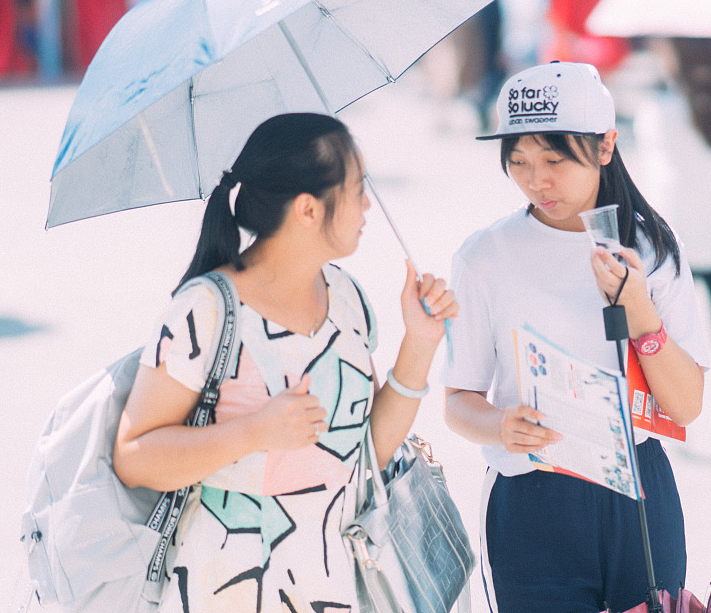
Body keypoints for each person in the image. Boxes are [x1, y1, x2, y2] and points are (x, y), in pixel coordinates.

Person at [113, 113, 457, 612]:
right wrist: (252, 432)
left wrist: (419, 343)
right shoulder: (206, 309)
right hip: (226, 592)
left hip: (335, 589)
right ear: (308, 209)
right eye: (358, 189)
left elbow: (367, 456)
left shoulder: (346, 297)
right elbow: (134, 458)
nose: (368, 205)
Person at [441, 62, 708, 613]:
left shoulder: (653, 248)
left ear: (606, 145)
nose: (536, 180)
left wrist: (640, 312)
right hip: (532, 497)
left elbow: (685, 405)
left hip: (638, 489)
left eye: (554, 160)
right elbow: (458, 400)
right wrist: (500, 425)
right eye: (518, 161)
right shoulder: (485, 256)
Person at [635, 38, 711, 413]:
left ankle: (664, 419)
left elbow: (657, 183)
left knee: (662, 341)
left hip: (678, 247)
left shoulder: (660, 110)